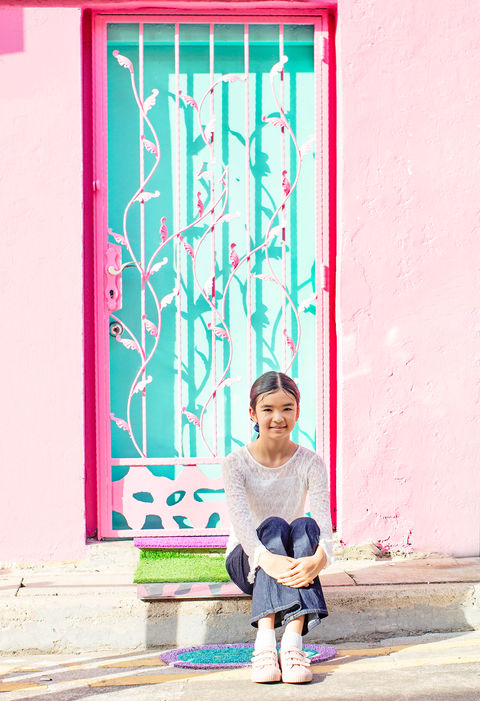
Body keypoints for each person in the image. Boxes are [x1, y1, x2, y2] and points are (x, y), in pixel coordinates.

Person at [222, 371, 334, 684]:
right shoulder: (235, 464)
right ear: (253, 413)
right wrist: (266, 557)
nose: (278, 418)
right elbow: (244, 526)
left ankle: (292, 645)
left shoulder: (311, 462)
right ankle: (265, 645)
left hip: (293, 559)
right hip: (248, 559)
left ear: (297, 411)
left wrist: (320, 558)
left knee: (304, 525)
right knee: (271, 525)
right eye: (268, 409)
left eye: (287, 408)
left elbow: (324, 525)